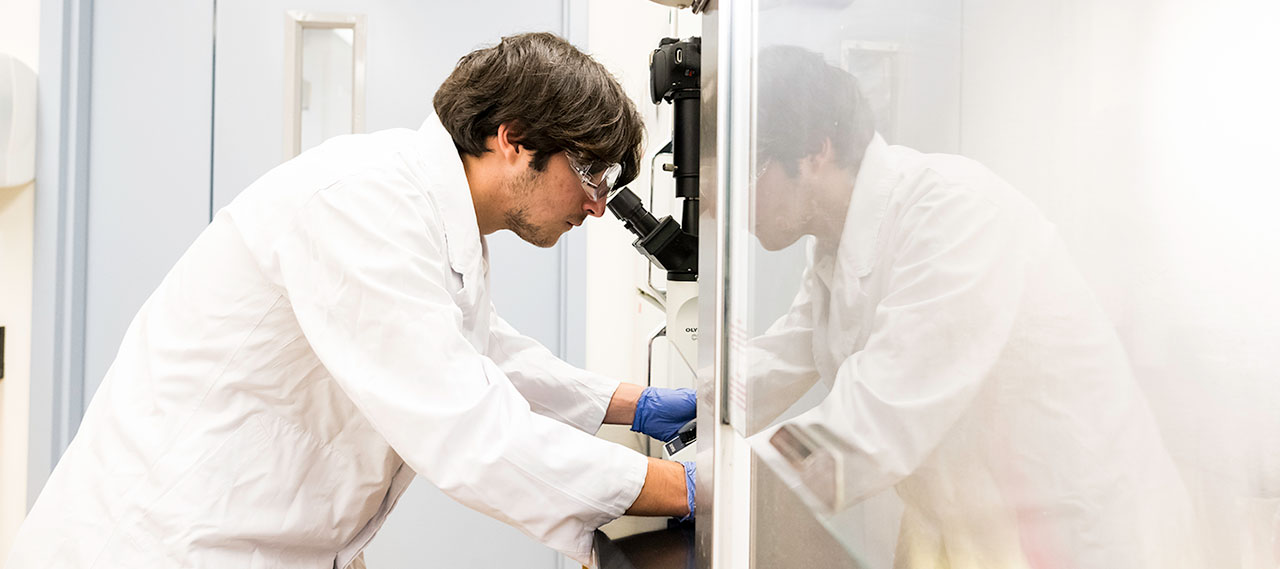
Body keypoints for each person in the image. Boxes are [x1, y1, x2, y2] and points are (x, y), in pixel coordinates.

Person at [7, 32, 695, 568]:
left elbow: (479, 349)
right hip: (165, 543)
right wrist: (688, 487)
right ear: (512, 138)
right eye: (590, 172)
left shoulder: (425, 212)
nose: (598, 205)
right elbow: (468, 428)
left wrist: (631, 403)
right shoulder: (364, 203)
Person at [745, 45, 1198, 568]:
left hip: (1079, 535)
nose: (727, 204)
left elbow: (869, 426)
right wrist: (679, 403)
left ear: (814, 152)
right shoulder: (834, 242)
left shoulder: (953, 210)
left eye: (748, 173)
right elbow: (781, 357)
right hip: (972, 530)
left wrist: (697, 484)